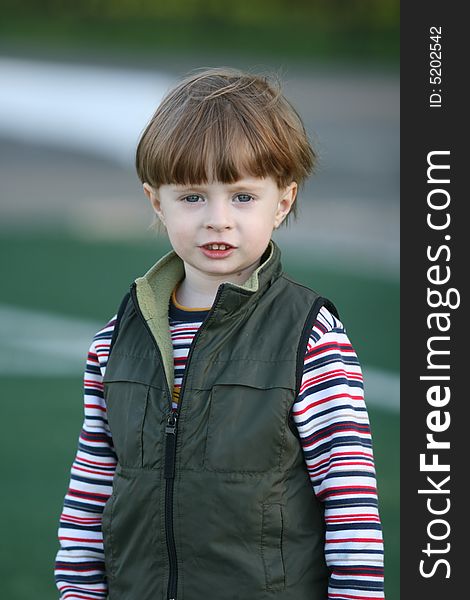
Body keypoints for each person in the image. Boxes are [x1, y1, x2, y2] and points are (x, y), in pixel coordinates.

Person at [55, 67, 384, 600]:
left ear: (282, 201)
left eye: (243, 197)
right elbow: (90, 490)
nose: (217, 219)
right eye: (191, 197)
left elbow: (350, 502)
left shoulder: (311, 337)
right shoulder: (116, 341)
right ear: (155, 201)